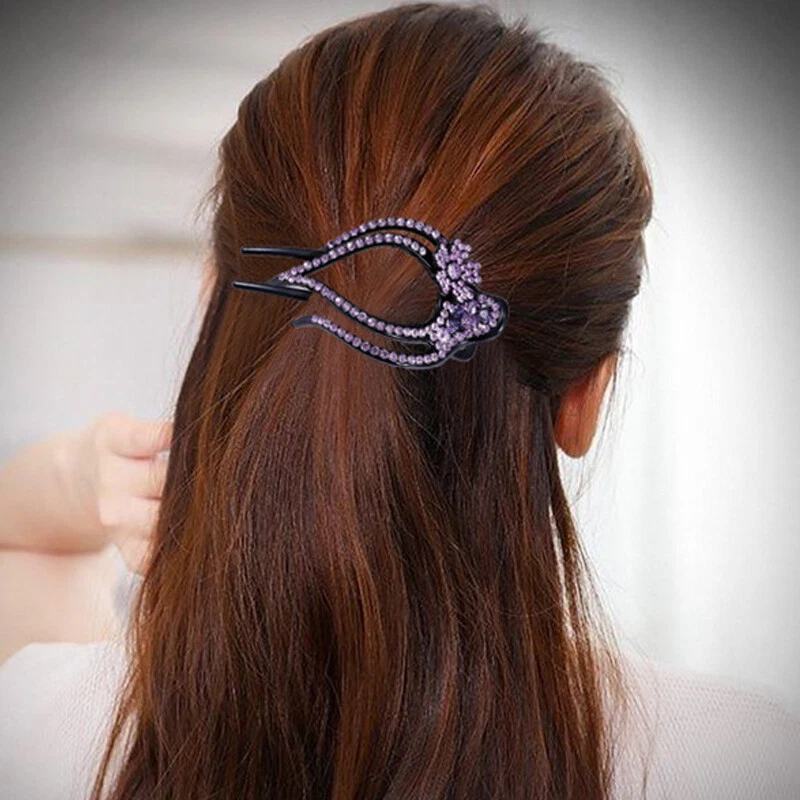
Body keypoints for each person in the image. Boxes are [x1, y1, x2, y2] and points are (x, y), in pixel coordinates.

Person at [1, 2, 799, 798]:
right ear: (587, 395)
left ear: (216, 300)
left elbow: (18, 547)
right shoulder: (742, 755)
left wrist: (76, 477)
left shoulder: (47, 726)